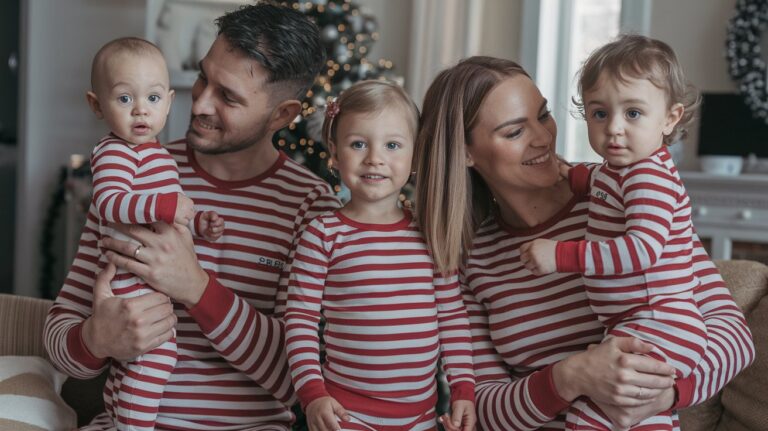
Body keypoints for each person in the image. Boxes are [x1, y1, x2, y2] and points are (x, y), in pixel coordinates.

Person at [414, 55, 755, 430]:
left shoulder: (625, 195)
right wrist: (571, 376)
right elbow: (484, 406)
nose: (543, 138)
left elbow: (735, 337)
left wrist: (668, 394)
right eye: (514, 132)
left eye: (543, 115)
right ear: (465, 152)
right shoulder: (471, 260)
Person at [44, 3, 340, 430]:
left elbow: (300, 381)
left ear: (282, 115)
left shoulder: (312, 209)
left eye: (228, 97)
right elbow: (58, 334)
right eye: (204, 76)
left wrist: (195, 286)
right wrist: (95, 339)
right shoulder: (135, 176)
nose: (197, 103)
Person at [517, 35, 707, 430]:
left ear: (670, 118)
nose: (614, 129)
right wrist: (575, 176)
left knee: (594, 413)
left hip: (661, 321)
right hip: (637, 321)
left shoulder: (649, 178)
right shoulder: (622, 170)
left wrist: (561, 255)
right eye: (599, 114)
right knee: (633, 415)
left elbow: (641, 250)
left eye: (633, 113)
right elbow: (601, 181)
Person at [284, 80, 476, 431]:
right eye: (358, 144)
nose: (375, 158)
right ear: (335, 151)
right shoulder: (323, 235)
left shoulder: (430, 234)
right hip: (347, 414)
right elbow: (300, 322)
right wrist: (312, 392)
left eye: (392, 145)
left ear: (415, 154)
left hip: (422, 416)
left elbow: (452, 318)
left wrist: (464, 388)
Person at [83, 36, 224, 430]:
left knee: (144, 363)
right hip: (128, 281)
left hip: (150, 285)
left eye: (154, 98)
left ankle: (120, 413)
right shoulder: (114, 151)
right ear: (97, 105)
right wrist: (166, 207)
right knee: (156, 359)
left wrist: (198, 223)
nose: (141, 110)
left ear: (168, 103)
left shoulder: (156, 154)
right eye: (125, 99)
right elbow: (111, 202)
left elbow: (171, 211)